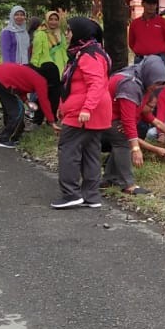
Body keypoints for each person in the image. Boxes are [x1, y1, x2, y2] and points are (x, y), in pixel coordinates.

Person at [52, 17, 112, 209]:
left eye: (69, 31)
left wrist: (86, 109)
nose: (67, 34)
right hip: (90, 111)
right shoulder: (90, 52)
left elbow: (96, 83)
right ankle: (91, 196)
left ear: (80, 33)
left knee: (68, 150)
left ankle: (71, 194)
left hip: (83, 113)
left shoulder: (88, 55)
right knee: (90, 153)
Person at [102, 56, 165, 196]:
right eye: (156, 83)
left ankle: (109, 178)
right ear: (148, 75)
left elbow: (140, 115)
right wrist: (135, 148)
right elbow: (127, 120)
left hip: (114, 116)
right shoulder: (131, 84)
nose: (156, 87)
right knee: (122, 140)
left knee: (123, 136)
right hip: (105, 116)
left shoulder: (141, 77)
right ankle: (128, 184)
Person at [0, 61, 60, 148]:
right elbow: (44, 102)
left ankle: (11, 131)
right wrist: (52, 122)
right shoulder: (41, 81)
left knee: (9, 107)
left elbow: (19, 88)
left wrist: (27, 101)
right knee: (18, 111)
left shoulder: (32, 73)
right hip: (3, 79)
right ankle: (6, 139)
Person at [127, 0, 165, 79]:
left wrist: (161, 53)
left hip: (158, 59)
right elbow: (131, 42)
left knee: (158, 84)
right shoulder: (135, 23)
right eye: (148, 3)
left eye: (153, 3)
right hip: (140, 59)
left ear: (156, 5)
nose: (151, 6)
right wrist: (140, 51)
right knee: (139, 84)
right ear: (143, 4)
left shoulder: (163, 22)